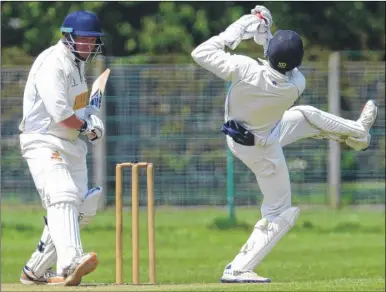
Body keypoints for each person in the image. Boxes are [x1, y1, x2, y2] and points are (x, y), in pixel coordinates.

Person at [191, 5, 378, 283]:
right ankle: (239, 268)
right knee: (280, 211)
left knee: (306, 115)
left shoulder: (243, 68)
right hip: (262, 146)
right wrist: (264, 32)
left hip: (254, 138)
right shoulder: (296, 84)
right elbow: (278, 61)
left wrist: (248, 23)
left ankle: (358, 134)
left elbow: (201, 53)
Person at [18, 10, 106, 286]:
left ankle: (34, 270)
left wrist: (92, 117)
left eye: (93, 41)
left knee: (82, 208)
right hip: (43, 139)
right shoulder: (53, 64)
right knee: (62, 194)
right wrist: (86, 128)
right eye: (85, 39)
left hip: (70, 143)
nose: (89, 45)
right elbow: (60, 114)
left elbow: (79, 107)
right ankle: (70, 263)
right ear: (69, 37)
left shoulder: (78, 64)